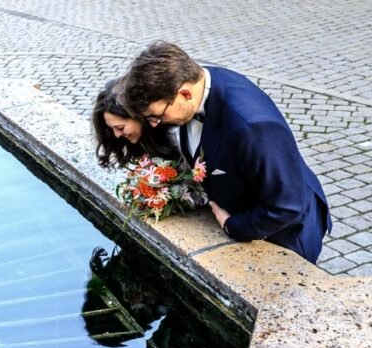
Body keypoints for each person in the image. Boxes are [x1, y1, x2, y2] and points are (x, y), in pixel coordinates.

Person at [120, 42, 331, 264]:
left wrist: (233, 226)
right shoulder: (202, 84)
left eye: (158, 115)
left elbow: (287, 207)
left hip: (286, 235)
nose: (155, 125)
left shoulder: (253, 127)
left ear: (185, 93)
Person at [91, 77, 177, 168]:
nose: (117, 135)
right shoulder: (144, 143)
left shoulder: (175, 135)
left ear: (137, 116)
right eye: (111, 129)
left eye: (120, 128)